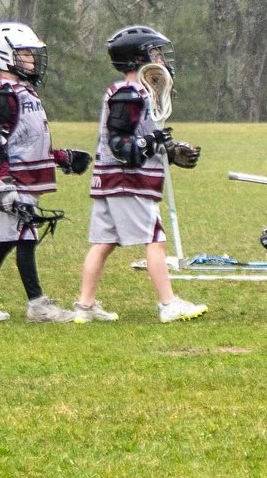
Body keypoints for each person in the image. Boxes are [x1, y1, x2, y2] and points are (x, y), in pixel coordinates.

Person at [73, 25, 205, 325]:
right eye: (154, 52)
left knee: (104, 242)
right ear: (138, 58)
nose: (160, 58)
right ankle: (168, 303)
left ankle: (85, 306)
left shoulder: (138, 93)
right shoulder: (129, 94)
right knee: (155, 239)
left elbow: (138, 138)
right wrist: (153, 143)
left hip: (110, 181)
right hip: (126, 181)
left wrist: (168, 152)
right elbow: (121, 144)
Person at [0, 22, 86, 324]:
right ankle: (38, 305)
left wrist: (61, 157)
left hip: (23, 178)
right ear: (3, 54)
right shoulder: (3, 94)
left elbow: (26, 140)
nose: (31, 59)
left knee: (6, 240)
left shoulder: (23, 92)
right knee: (25, 237)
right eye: (25, 53)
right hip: (13, 181)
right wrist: (3, 183)